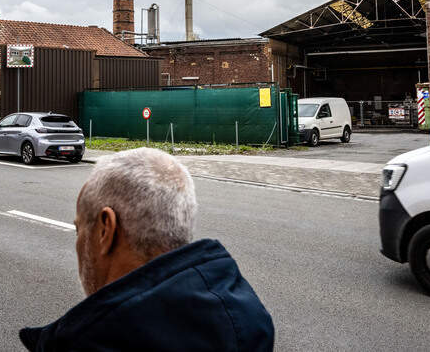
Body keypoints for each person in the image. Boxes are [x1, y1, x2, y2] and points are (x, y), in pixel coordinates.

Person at [19, 147, 275, 351]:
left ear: (106, 229)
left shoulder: (86, 342)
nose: (77, 242)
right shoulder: (248, 324)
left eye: (80, 230)